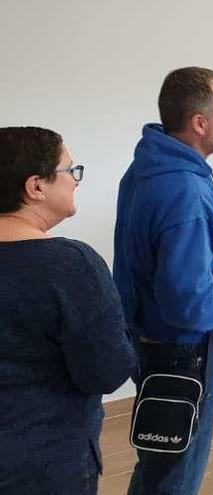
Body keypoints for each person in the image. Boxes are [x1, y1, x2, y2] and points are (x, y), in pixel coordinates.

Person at [114, 67, 213, 495]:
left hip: (150, 343)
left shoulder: (151, 167)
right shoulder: (184, 188)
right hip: (184, 354)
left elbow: (152, 253)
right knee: (176, 476)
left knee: (158, 458)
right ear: (200, 124)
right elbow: (188, 304)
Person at [0, 127, 134, 494]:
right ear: (36, 187)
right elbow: (106, 373)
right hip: (45, 462)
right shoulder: (70, 265)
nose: (76, 181)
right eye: (70, 170)